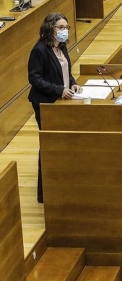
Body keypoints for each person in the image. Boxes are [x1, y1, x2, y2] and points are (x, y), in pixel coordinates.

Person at [28, 13, 81, 204]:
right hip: (46, 104)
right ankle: (44, 193)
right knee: (49, 145)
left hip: (61, 103)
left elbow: (66, 72)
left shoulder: (62, 47)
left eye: (66, 27)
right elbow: (34, 79)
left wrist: (73, 84)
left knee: (63, 144)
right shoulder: (40, 50)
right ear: (50, 28)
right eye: (60, 27)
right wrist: (59, 90)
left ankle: (63, 185)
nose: (65, 31)